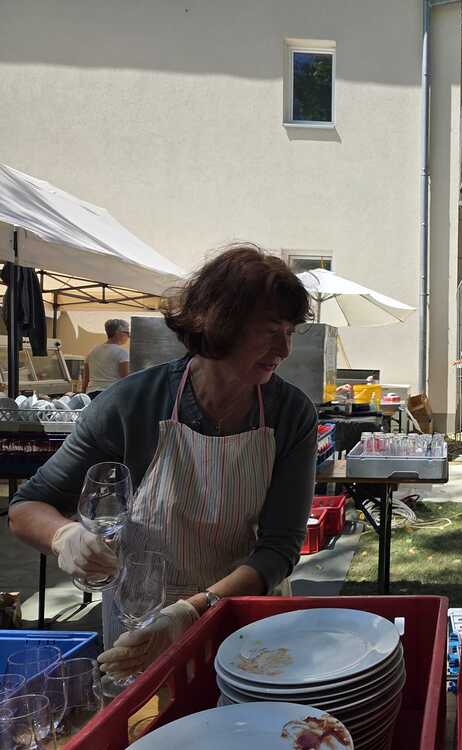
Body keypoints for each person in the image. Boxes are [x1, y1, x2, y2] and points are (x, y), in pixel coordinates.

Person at [9, 244, 318, 680]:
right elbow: (27, 507)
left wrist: (193, 611)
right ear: (221, 323)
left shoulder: (291, 414)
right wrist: (64, 537)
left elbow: (280, 547)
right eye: (270, 331)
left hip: (242, 613)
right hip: (141, 622)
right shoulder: (133, 403)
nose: (284, 348)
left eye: (290, 331)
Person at [81, 318, 131, 396]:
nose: (129, 336)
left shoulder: (92, 352)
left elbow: (86, 380)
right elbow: (125, 379)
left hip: (92, 394)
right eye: (127, 333)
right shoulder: (122, 353)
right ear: (118, 333)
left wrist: (83, 395)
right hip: (111, 394)